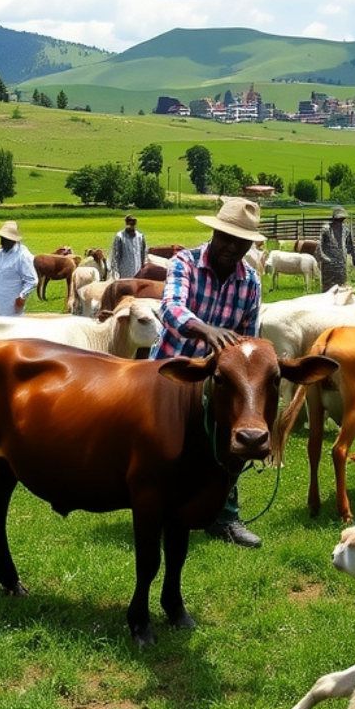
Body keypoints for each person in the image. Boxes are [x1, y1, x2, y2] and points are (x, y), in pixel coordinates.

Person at [155, 197, 267, 547]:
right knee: (166, 446)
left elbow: (249, 337)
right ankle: (158, 508)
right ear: (214, 233)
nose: (232, 247)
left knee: (231, 445)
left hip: (220, 382)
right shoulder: (184, 263)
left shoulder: (250, 281)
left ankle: (225, 517)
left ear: (250, 245)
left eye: (241, 242)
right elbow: (171, 308)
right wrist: (205, 330)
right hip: (173, 369)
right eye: (226, 238)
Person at [0, 220, 38, 316]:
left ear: (13, 240)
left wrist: (22, 297)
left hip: (11, 304)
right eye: (1, 238)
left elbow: (32, 280)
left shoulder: (22, 256)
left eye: (5, 239)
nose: (2, 242)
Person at [316, 206, 355, 290]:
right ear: (333, 218)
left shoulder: (346, 229)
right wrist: (325, 259)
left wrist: (354, 257)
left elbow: (350, 244)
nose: (340, 221)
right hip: (328, 266)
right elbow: (318, 246)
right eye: (338, 219)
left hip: (341, 264)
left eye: (342, 219)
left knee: (341, 289)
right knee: (328, 290)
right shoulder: (326, 229)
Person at [110, 214, 147, 280]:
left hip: (137, 271)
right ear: (127, 223)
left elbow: (143, 253)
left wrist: (143, 268)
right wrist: (115, 271)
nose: (132, 226)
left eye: (133, 224)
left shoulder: (140, 236)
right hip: (124, 272)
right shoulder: (120, 236)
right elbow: (115, 255)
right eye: (130, 224)